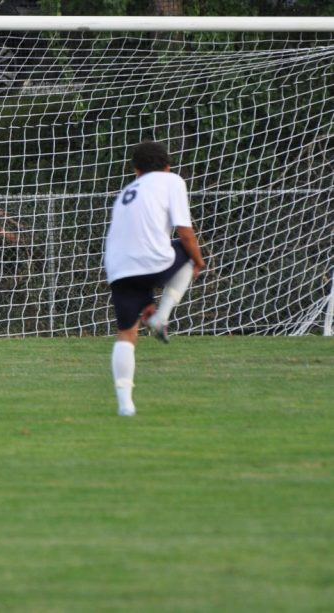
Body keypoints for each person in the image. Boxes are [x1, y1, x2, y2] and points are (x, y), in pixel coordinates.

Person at [104, 140, 205, 417]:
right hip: (153, 259)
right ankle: (163, 315)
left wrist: (145, 297)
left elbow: (134, 242)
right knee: (185, 250)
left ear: (136, 170)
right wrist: (198, 261)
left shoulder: (126, 192)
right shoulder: (171, 180)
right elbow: (185, 231)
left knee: (126, 333)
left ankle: (125, 405)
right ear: (168, 166)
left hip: (118, 267)